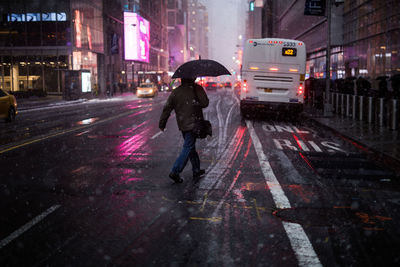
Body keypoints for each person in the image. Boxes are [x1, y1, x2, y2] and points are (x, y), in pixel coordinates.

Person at [159, 78, 209, 183]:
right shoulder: (196, 88)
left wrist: (162, 123)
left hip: (183, 124)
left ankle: (196, 169)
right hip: (194, 123)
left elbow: (167, 108)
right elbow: (205, 103)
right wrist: (197, 94)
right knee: (188, 147)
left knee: (190, 146)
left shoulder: (176, 91)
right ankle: (175, 171)